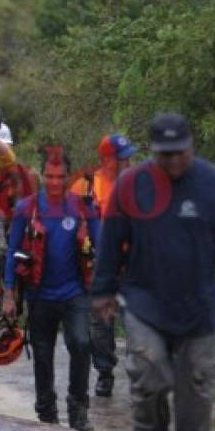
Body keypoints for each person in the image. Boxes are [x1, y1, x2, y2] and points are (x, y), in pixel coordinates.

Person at [91, 113, 215, 431]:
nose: (174, 160)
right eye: (165, 154)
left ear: (191, 146)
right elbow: (110, 241)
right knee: (149, 373)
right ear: (153, 151)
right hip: (143, 301)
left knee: (196, 381)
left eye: (180, 152)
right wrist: (102, 290)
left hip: (198, 304)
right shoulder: (131, 185)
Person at [3, 147, 99, 431]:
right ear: (42, 176)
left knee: (81, 344)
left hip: (75, 292)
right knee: (42, 354)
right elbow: (12, 251)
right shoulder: (26, 209)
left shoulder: (83, 208)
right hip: (38, 293)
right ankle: (46, 410)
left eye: (60, 176)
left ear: (69, 177)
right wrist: (9, 292)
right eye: (49, 176)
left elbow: (103, 247)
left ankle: (78, 409)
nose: (55, 182)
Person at [70, 134, 137, 399]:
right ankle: (104, 373)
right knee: (100, 325)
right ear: (108, 160)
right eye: (123, 158)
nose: (129, 162)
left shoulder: (138, 185)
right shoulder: (84, 187)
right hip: (97, 265)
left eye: (129, 157)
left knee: (136, 322)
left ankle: (138, 376)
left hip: (132, 265)